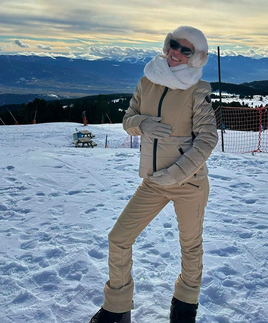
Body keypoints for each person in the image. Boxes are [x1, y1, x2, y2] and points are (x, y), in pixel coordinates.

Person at [89, 26, 218, 323]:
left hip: (189, 183)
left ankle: (185, 306)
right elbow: (128, 120)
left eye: (185, 50)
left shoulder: (198, 90)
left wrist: (178, 172)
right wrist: (142, 125)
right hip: (153, 181)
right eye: (173, 44)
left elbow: (207, 139)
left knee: (190, 245)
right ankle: (116, 308)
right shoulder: (147, 80)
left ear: (196, 57)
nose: (176, 52)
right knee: (118, 238)